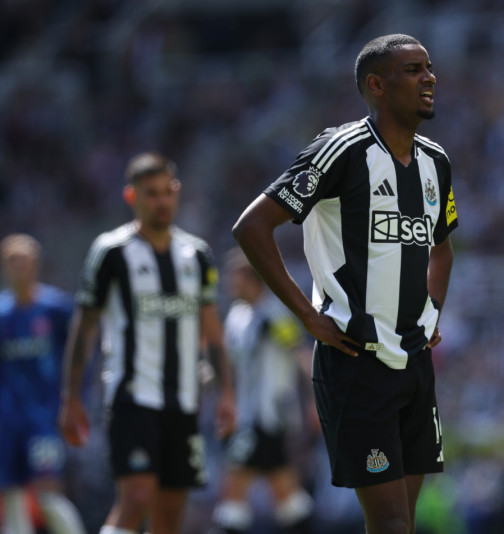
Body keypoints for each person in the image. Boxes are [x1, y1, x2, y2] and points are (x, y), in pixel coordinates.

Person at [232, 33, 457, 534]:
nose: (429, 78)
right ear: (376, 85)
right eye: (414, 69)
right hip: (357, 362)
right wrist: (307, 316)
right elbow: (252, 226)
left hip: (415, 364)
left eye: (429, 67)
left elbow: (442, 248)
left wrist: (431, 311)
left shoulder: (435, 161)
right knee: (391, 522)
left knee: (401, 524)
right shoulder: (340, 151)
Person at [58, 152, 237, 534]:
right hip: (132, 396)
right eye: (151, 193)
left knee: (170, 512)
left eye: (166, 192)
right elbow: (85, 327)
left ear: (177, 192)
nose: (161, 201)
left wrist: (226, 392)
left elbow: (212, 330)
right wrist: (71, 397)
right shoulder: (111, 251)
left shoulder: (197, 254)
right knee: (136, 499)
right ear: (132, 196)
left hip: (184, 400)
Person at [210, 249, 314, 534]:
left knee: (235, 485)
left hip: (268, 415)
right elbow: (231, 364)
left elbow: (300, 355)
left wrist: (314, 401)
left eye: (236, 278)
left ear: (253, 280)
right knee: (284, 492)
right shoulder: (237, 316)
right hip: (246, 416)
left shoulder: (275, 315)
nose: (230, 284)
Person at [0, 234, 87, 534]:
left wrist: (76, 396)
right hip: (6, 420)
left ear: (37, 265)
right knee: (11, 496)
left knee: (48, 493)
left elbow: (80, 353)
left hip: (43, 418)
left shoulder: (56, 309)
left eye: (25, 261)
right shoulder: (2, 315)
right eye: (13, 261)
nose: (20, 267)